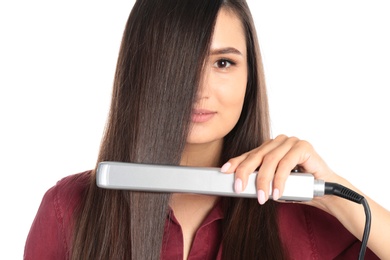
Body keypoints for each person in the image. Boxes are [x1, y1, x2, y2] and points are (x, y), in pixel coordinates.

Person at [24, 0, 390, 259]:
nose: (199, 88)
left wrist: (334, 195)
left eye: (224, 62)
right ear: (139, 72)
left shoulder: (303, 216)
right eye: (178, 63)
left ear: (250, 78)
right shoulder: (68, 209)